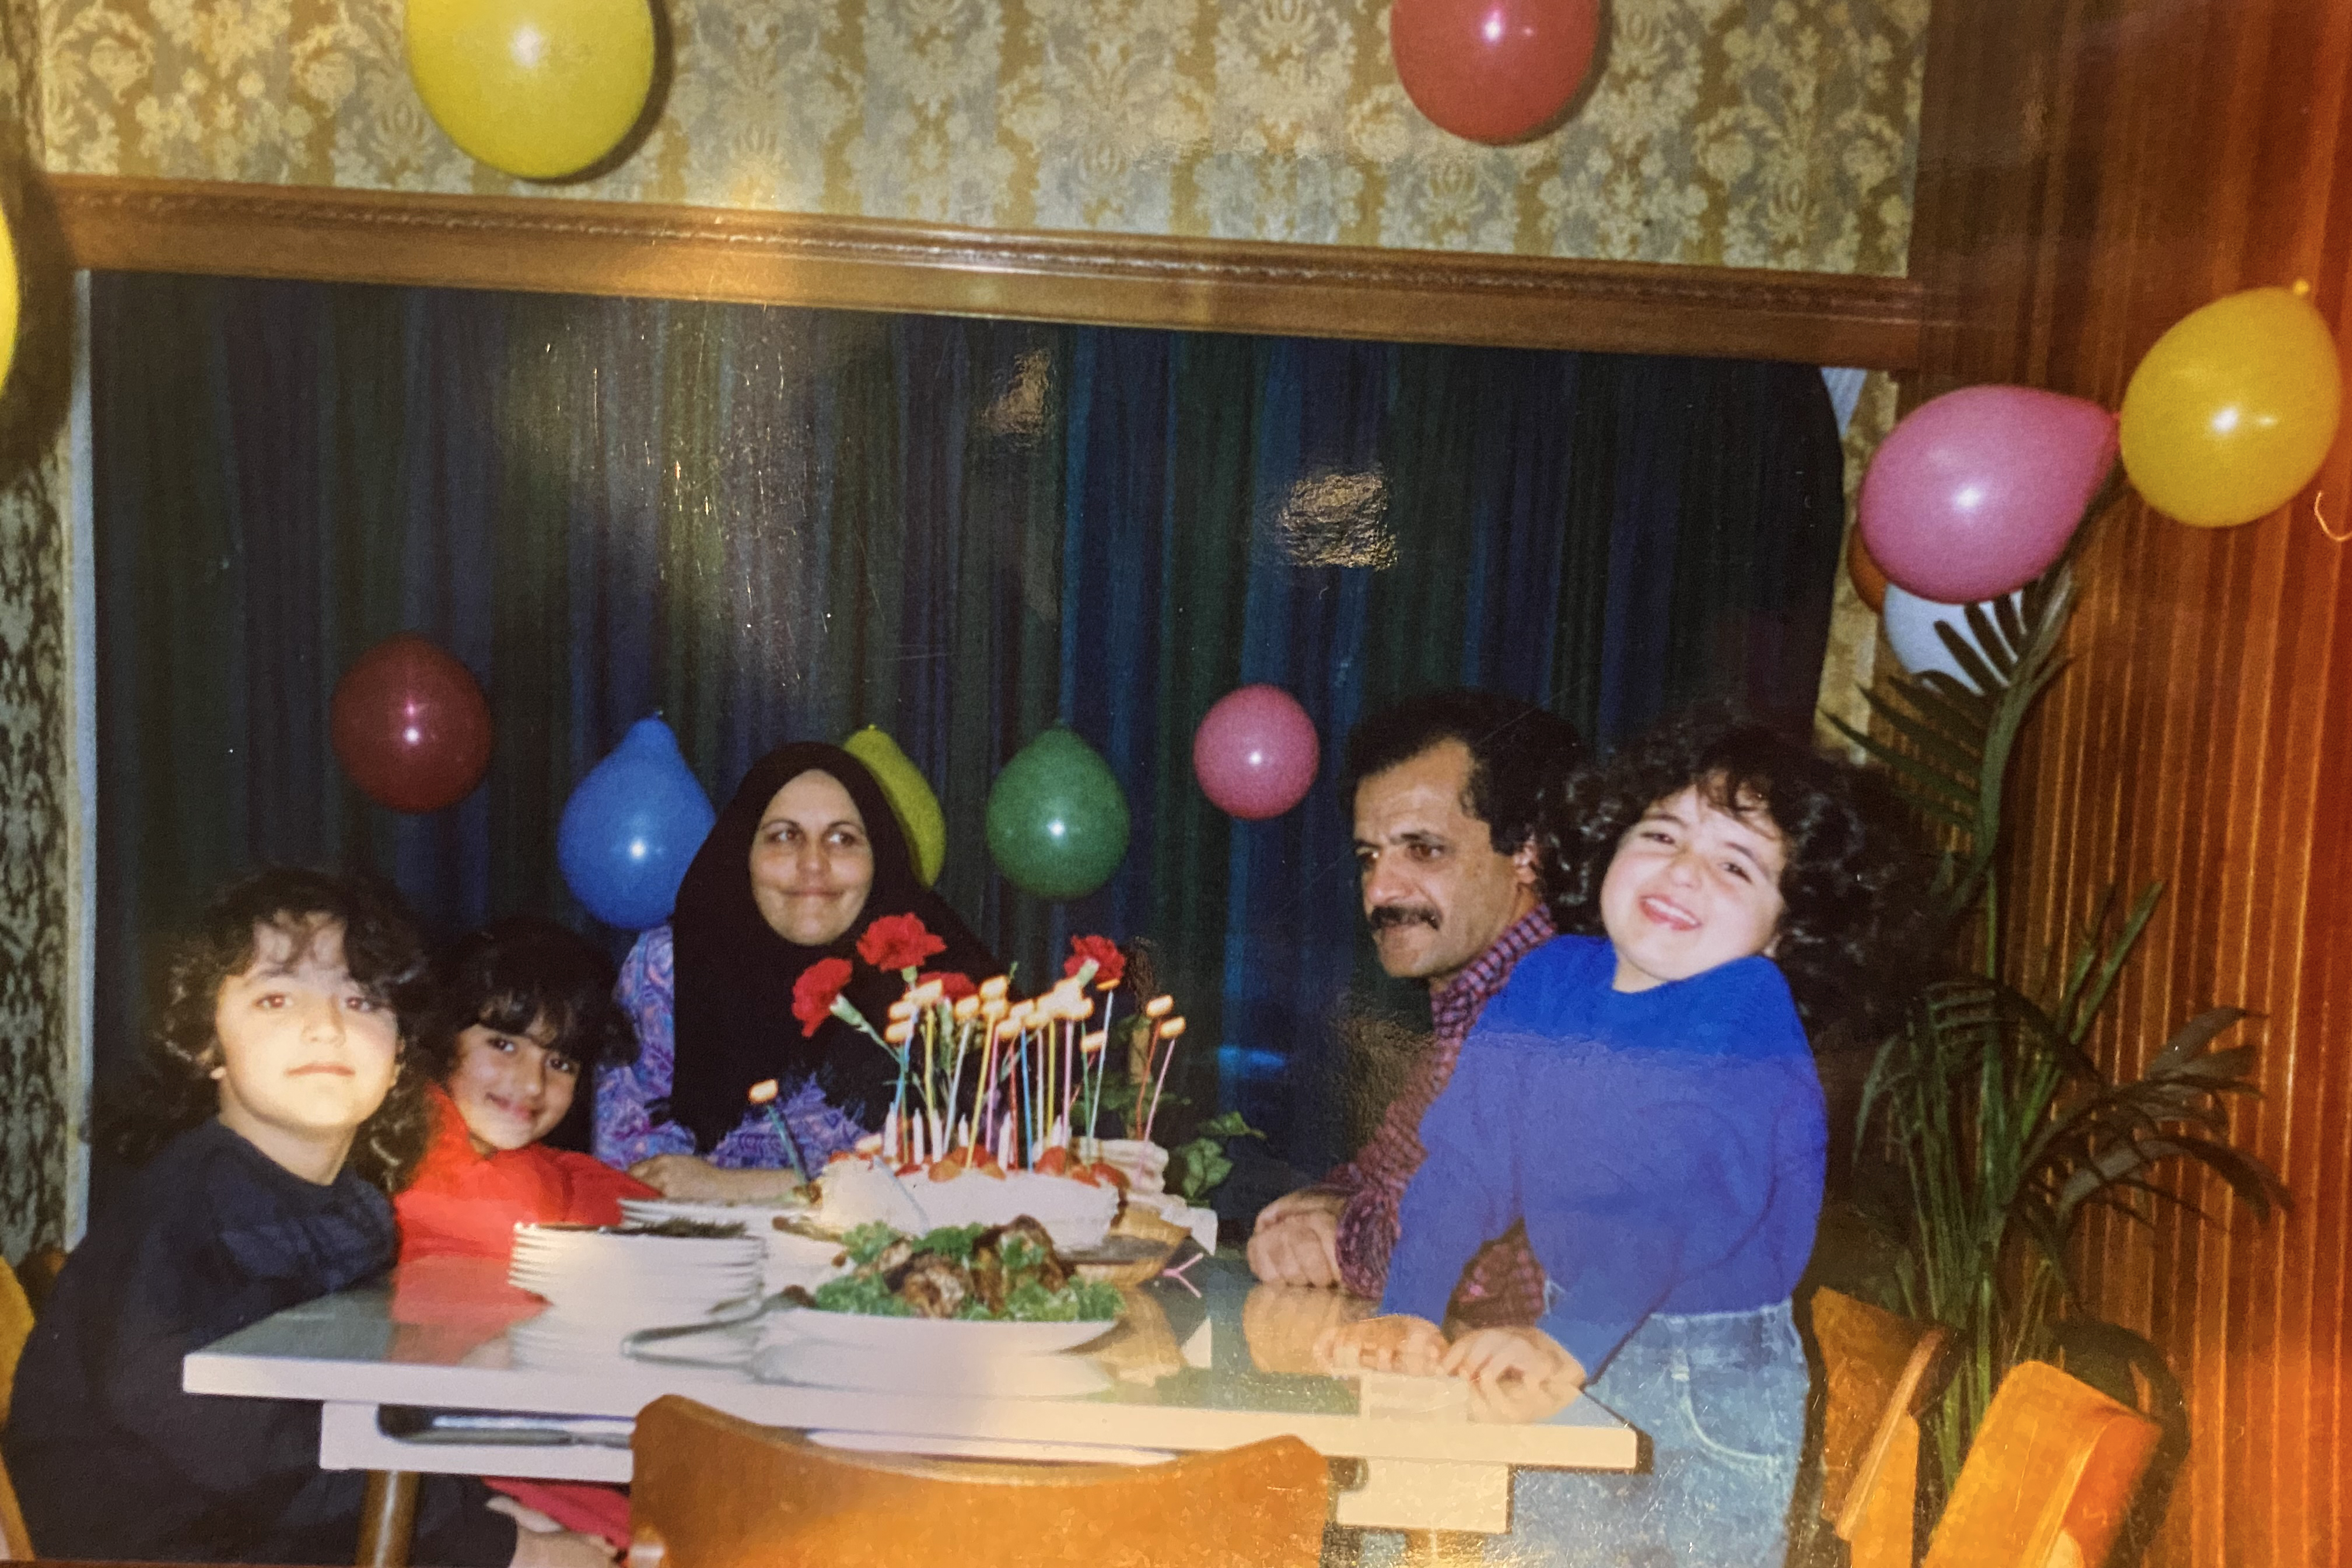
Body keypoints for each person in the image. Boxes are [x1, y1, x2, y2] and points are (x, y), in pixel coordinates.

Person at [1322, 712, 1933, 1568]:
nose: (1683, 871)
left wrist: (1566, 1341)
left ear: (1786, 931)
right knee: (1403, 1526)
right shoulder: (1546, 980)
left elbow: (1674, 1202)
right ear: (1611, 843)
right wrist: (1409, 1309)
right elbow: (1465, 1162)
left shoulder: (1748, 1013)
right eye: (1662, 833)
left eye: (1735, 864)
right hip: (1578, 1333)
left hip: (1704, 1392)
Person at [3, 869, 612, 1568]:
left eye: (360, 1000)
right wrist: (496, 1545)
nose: (325, 1028)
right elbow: (258, 1459)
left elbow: (352, 1412)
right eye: (275, 998)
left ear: (399, 1060)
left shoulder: (349, 1205)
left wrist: (473, 1505)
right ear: (207, 1046)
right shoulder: (194, 1213)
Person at [1247, 688, 1586, 1330]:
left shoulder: (1554, 1012)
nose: (1379, 890)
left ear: (1528, 853)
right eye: (1369, 856)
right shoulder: (1466, 1006)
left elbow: (1492, 1270)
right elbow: (1379, 1171)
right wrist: (1323, 1204)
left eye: (1423, 850)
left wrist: (1336, 1236)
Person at [596, 741, 998, 1202]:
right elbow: (627, 1156)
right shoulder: (668, 967)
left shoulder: (936, 981)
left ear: (880, 857)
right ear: (742, 850)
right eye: (785, 836)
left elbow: (979, 1169)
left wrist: (749, 1186)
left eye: (843, 838)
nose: (813, 864)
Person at [397, 918, 653, 1266]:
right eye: (503, 1045)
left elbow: (645, 1211)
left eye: (561, 1064)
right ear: (443, 1034)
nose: (534, 1084)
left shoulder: (532, 1161)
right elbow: (504, 1227)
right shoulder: (402, 1146)